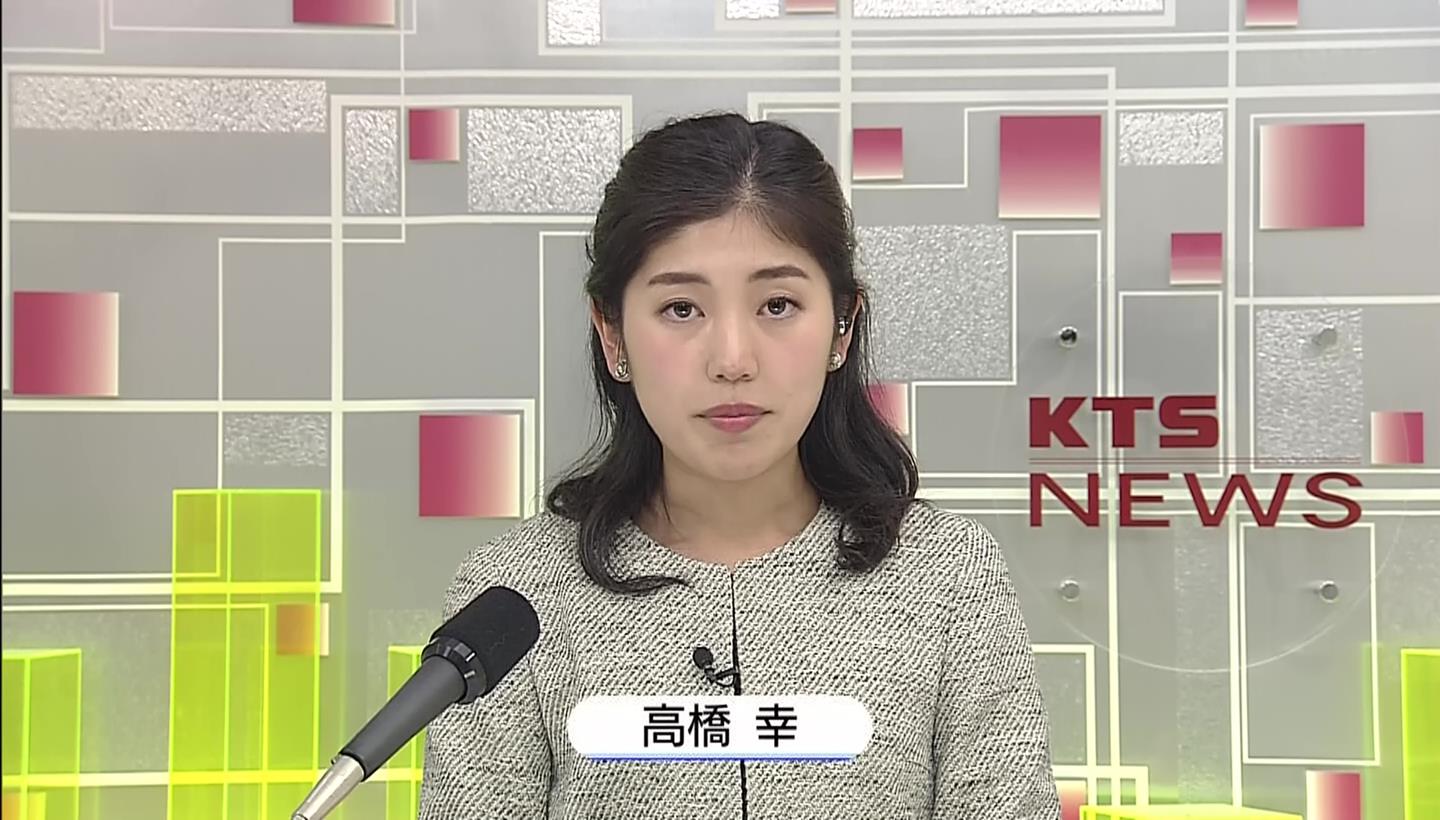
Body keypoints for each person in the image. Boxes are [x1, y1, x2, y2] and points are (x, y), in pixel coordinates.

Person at [417, 111, 1062, 819]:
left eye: (777, 304)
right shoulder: (512, 602)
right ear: (612, 334)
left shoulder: (950, 576)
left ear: (842, 326)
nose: (732, 360)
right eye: (681, 308)